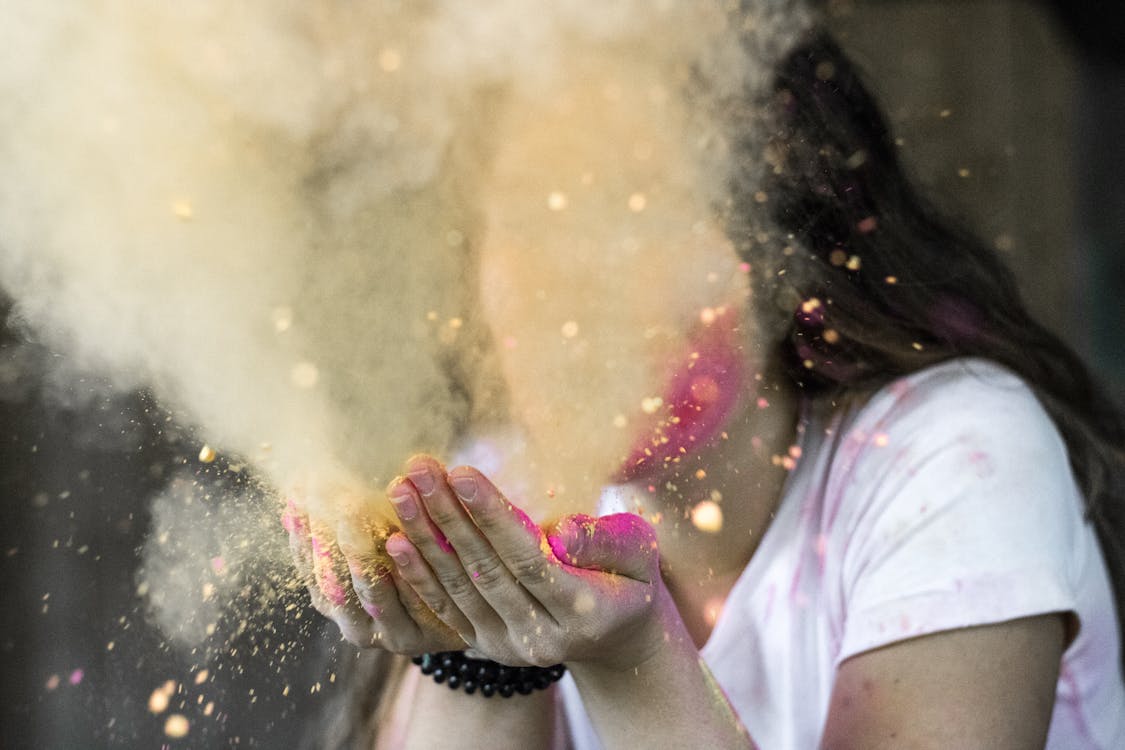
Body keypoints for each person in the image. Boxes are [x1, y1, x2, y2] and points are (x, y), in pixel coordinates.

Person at [287, 29, 1125, 749]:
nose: (566, 284)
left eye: (630, 214)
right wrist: (473, 653)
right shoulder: (491, 487)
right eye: (529, 221)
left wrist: (634, 660)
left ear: (777, 252)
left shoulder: (955, 455)